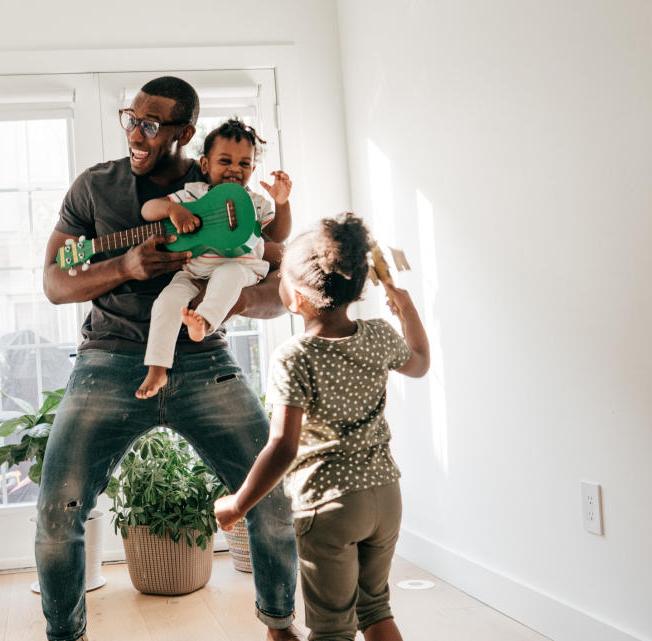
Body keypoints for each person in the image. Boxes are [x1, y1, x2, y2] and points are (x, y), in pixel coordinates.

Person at [39, 76, 304, 641]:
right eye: (130, 119)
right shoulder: (94, 188)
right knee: (57, 514)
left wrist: (223, 302)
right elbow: (56, 280)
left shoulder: (219, 181)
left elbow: (281, 278)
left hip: (204, 359)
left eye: (152, 124)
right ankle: (65, 635)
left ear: (187, 135)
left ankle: (281, 627)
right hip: (108, 360)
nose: (137, 132)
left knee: (272, 497)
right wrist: (124, 269)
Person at [214, 214, 430, 641]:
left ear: (295, 298)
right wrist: (405, 308)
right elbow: (421, 363)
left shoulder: (295, 356)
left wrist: (238, 505)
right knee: (376, 609)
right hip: (385, 495)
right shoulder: (380, 335)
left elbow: (282, 447)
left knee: (332, 630)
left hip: (329, 506)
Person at [136, 118, 292, 399]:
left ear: (253, 170)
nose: (234, 169)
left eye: (244, 164)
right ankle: (157, 369)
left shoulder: (255, 202)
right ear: (206, 165)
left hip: (241, 267)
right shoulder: (194, 193)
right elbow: (148, 210)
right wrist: (173, 211)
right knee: (166, 302)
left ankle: (204, 323)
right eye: (225, 161)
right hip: (193, 270)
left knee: (228, 276)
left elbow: (279, 235)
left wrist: (281, 203)